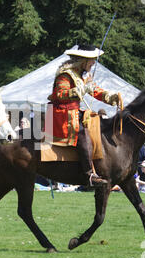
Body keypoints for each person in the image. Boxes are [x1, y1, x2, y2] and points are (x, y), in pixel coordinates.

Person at [45, 44, 120, 185]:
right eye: (92, 60)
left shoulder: (83, 75)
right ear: (83, 60)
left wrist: (110, 97)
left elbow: (95, 90)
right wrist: (81, 90)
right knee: (82, 134)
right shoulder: (65, 74)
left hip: (74, 113)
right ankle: (89, 174)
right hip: (62, 114)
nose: (93, 63)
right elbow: (60, 94)